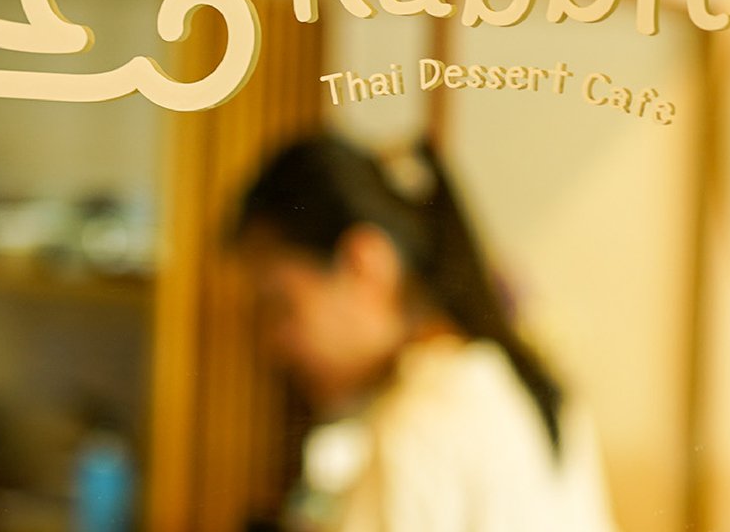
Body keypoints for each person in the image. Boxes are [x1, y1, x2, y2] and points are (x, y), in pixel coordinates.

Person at [233, 135, 618, 532]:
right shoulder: (523, 384)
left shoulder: (417, 426)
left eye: (280, 305)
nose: (272, 343)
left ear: (363, 264)